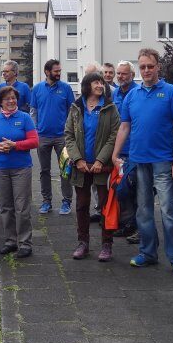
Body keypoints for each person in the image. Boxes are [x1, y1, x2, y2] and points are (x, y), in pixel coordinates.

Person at [111, 48, 173, 276]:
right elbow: (124, 127)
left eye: (150, 66)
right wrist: (116, 155)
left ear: (158, 67)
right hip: (138, 160)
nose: (146, 70)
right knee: (143, 210)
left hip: (163, 161)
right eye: (143, 66)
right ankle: (148, 252)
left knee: (168, 209)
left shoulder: (171, 92)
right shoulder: (132, 96)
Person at [64, 73, 119, 261]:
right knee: (81, 205)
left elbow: (114, 135)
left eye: (102, 82)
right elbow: (69, 135)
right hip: (81, 167)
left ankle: (106, 245)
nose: (100, 85)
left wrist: (101, 160)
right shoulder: (76, 107)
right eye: (96, 82)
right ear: (87, 85)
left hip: (101, 167)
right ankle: (83, 243)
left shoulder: (110, 107)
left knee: (105, 205)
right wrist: (78, 159)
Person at [0, 87, 39, 258]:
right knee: (5, 206)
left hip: (21, 168)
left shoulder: (25, 118)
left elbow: (35, 141)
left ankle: (25, 243)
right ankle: (10, 241)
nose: (11, 101)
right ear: (0, 102)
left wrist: (15, 145)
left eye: (13, 98)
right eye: (7, 99)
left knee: (22, 207)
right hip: (0, 168)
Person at [31, 59, 75, 215]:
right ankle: (46, 201)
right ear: (47, 71)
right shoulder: (36, 89)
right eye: (56, 71)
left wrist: (70, 131)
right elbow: (34, 112)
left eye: (59, 70)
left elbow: (72, 112)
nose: (59, 73)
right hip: (42, 137)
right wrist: (35, 130)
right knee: (44, 170)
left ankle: (66, 202)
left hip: (62, 138)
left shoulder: (66, 89)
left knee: (65, 170)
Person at [111, 61, 140, 243]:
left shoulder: (137, 93)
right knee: (120, 189)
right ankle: (126, 223)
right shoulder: (115, 93)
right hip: (119, 149)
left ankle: (137, 226)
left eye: (124, 73)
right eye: (118, 74)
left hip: (134, 150)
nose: (120, 77)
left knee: (134, 189)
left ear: (132, 74)